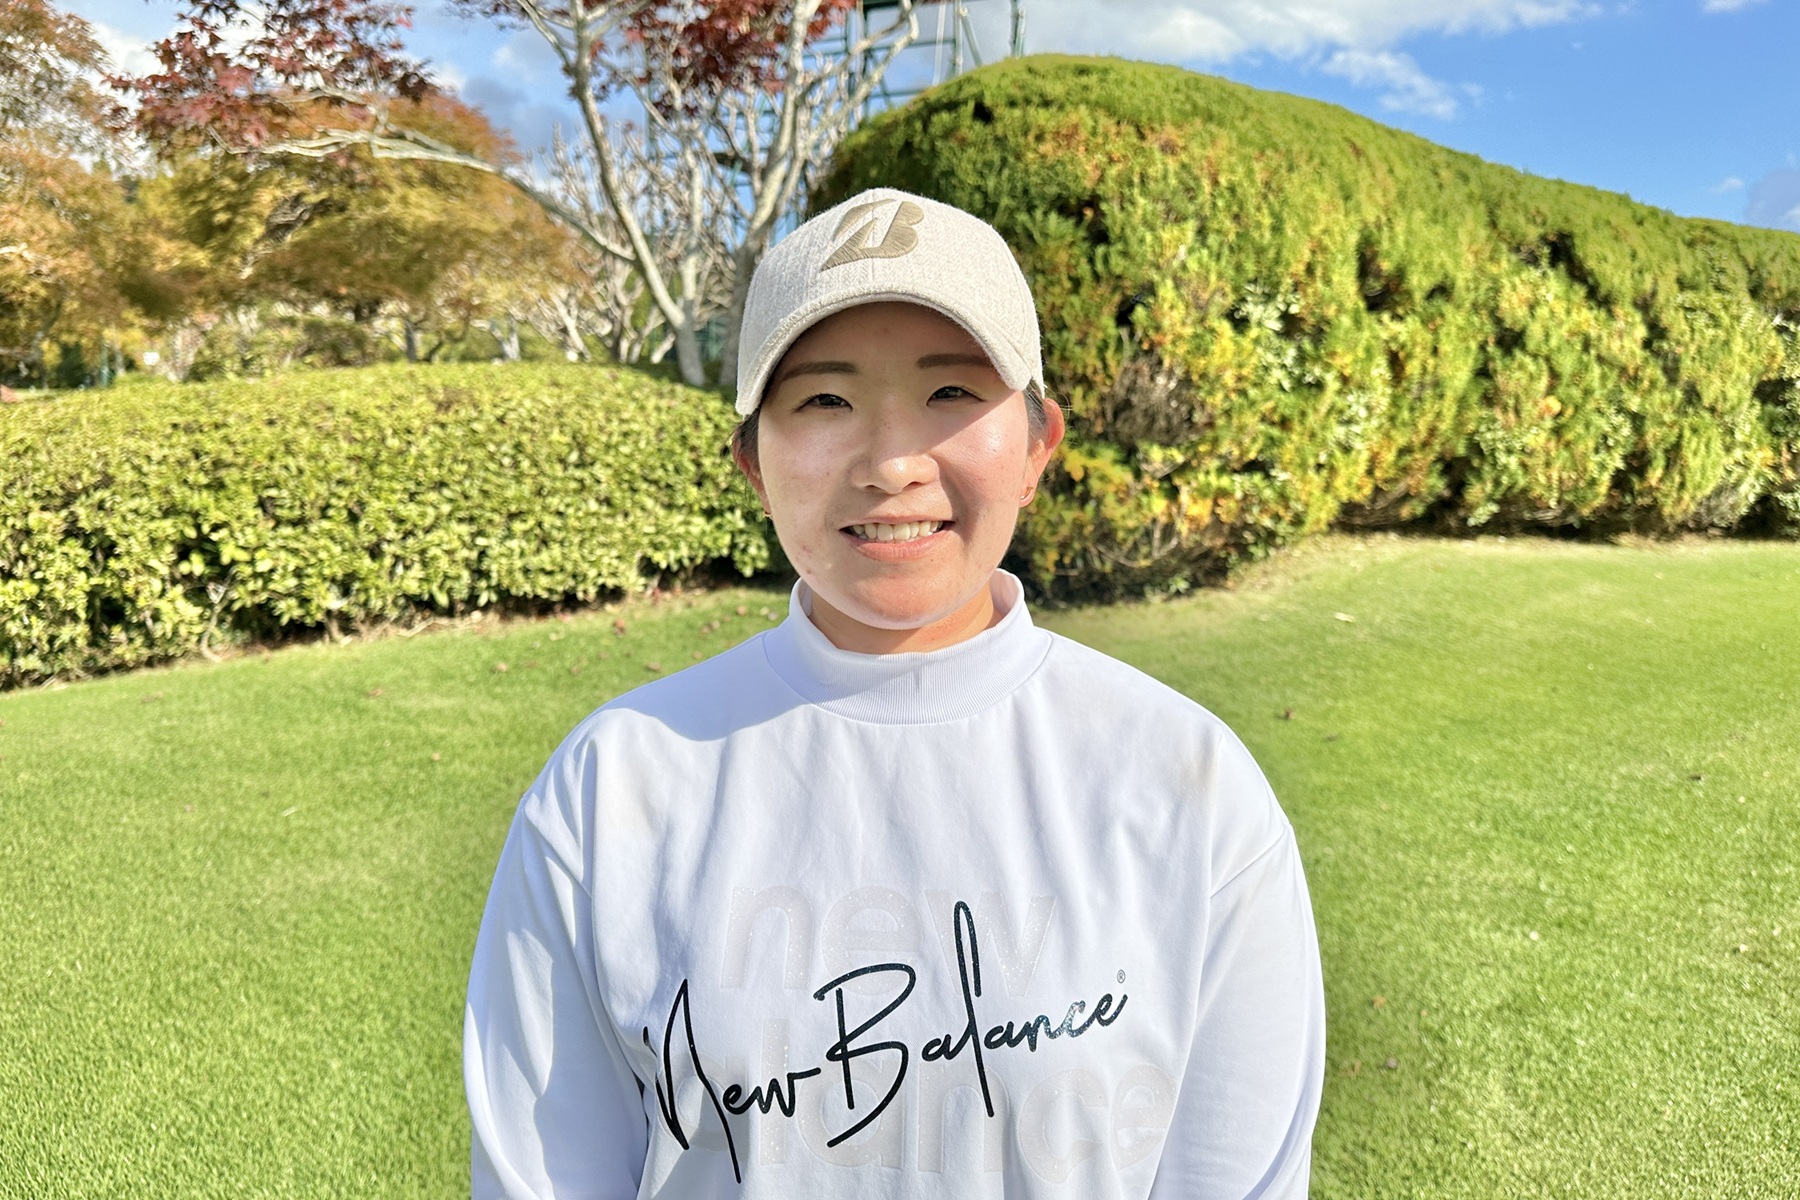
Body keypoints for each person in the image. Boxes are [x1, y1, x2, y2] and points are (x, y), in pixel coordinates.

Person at [463, 187, 1326, 1198]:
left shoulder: (1185, 780)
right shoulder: (615, 785)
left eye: (951, 392)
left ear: (1037, 446)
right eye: (824, 402)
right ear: (753, 462)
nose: (892, 464)